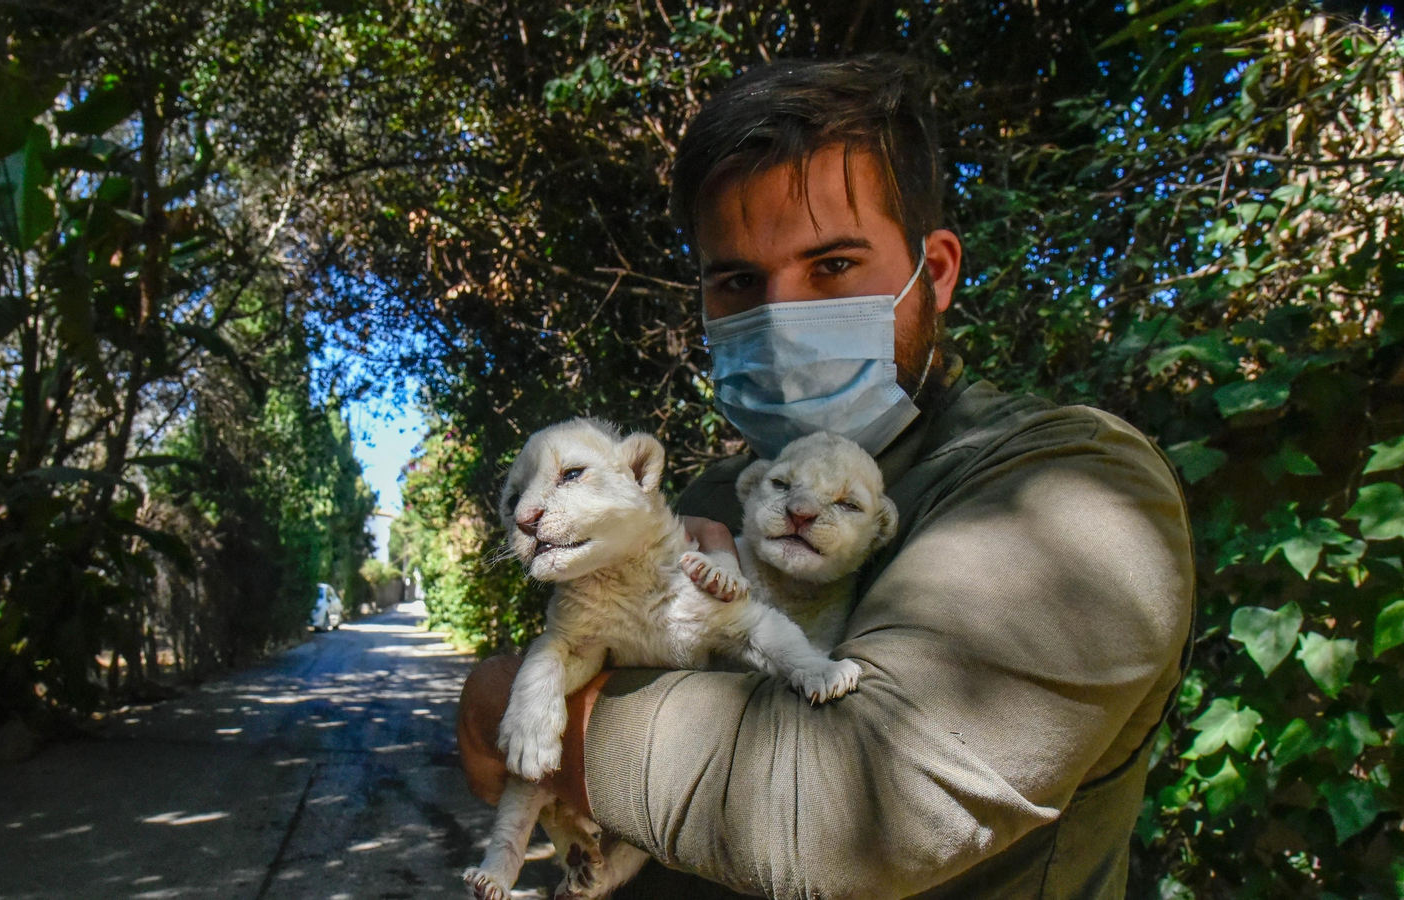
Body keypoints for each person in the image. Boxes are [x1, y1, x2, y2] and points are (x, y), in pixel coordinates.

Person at [458, 55, 1193, 900]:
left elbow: (844, 814)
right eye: (740, 281)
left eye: (834, 265)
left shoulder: (1072, 489)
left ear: (936, 272)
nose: (782, 319)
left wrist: (507, 705)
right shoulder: (716, 498)